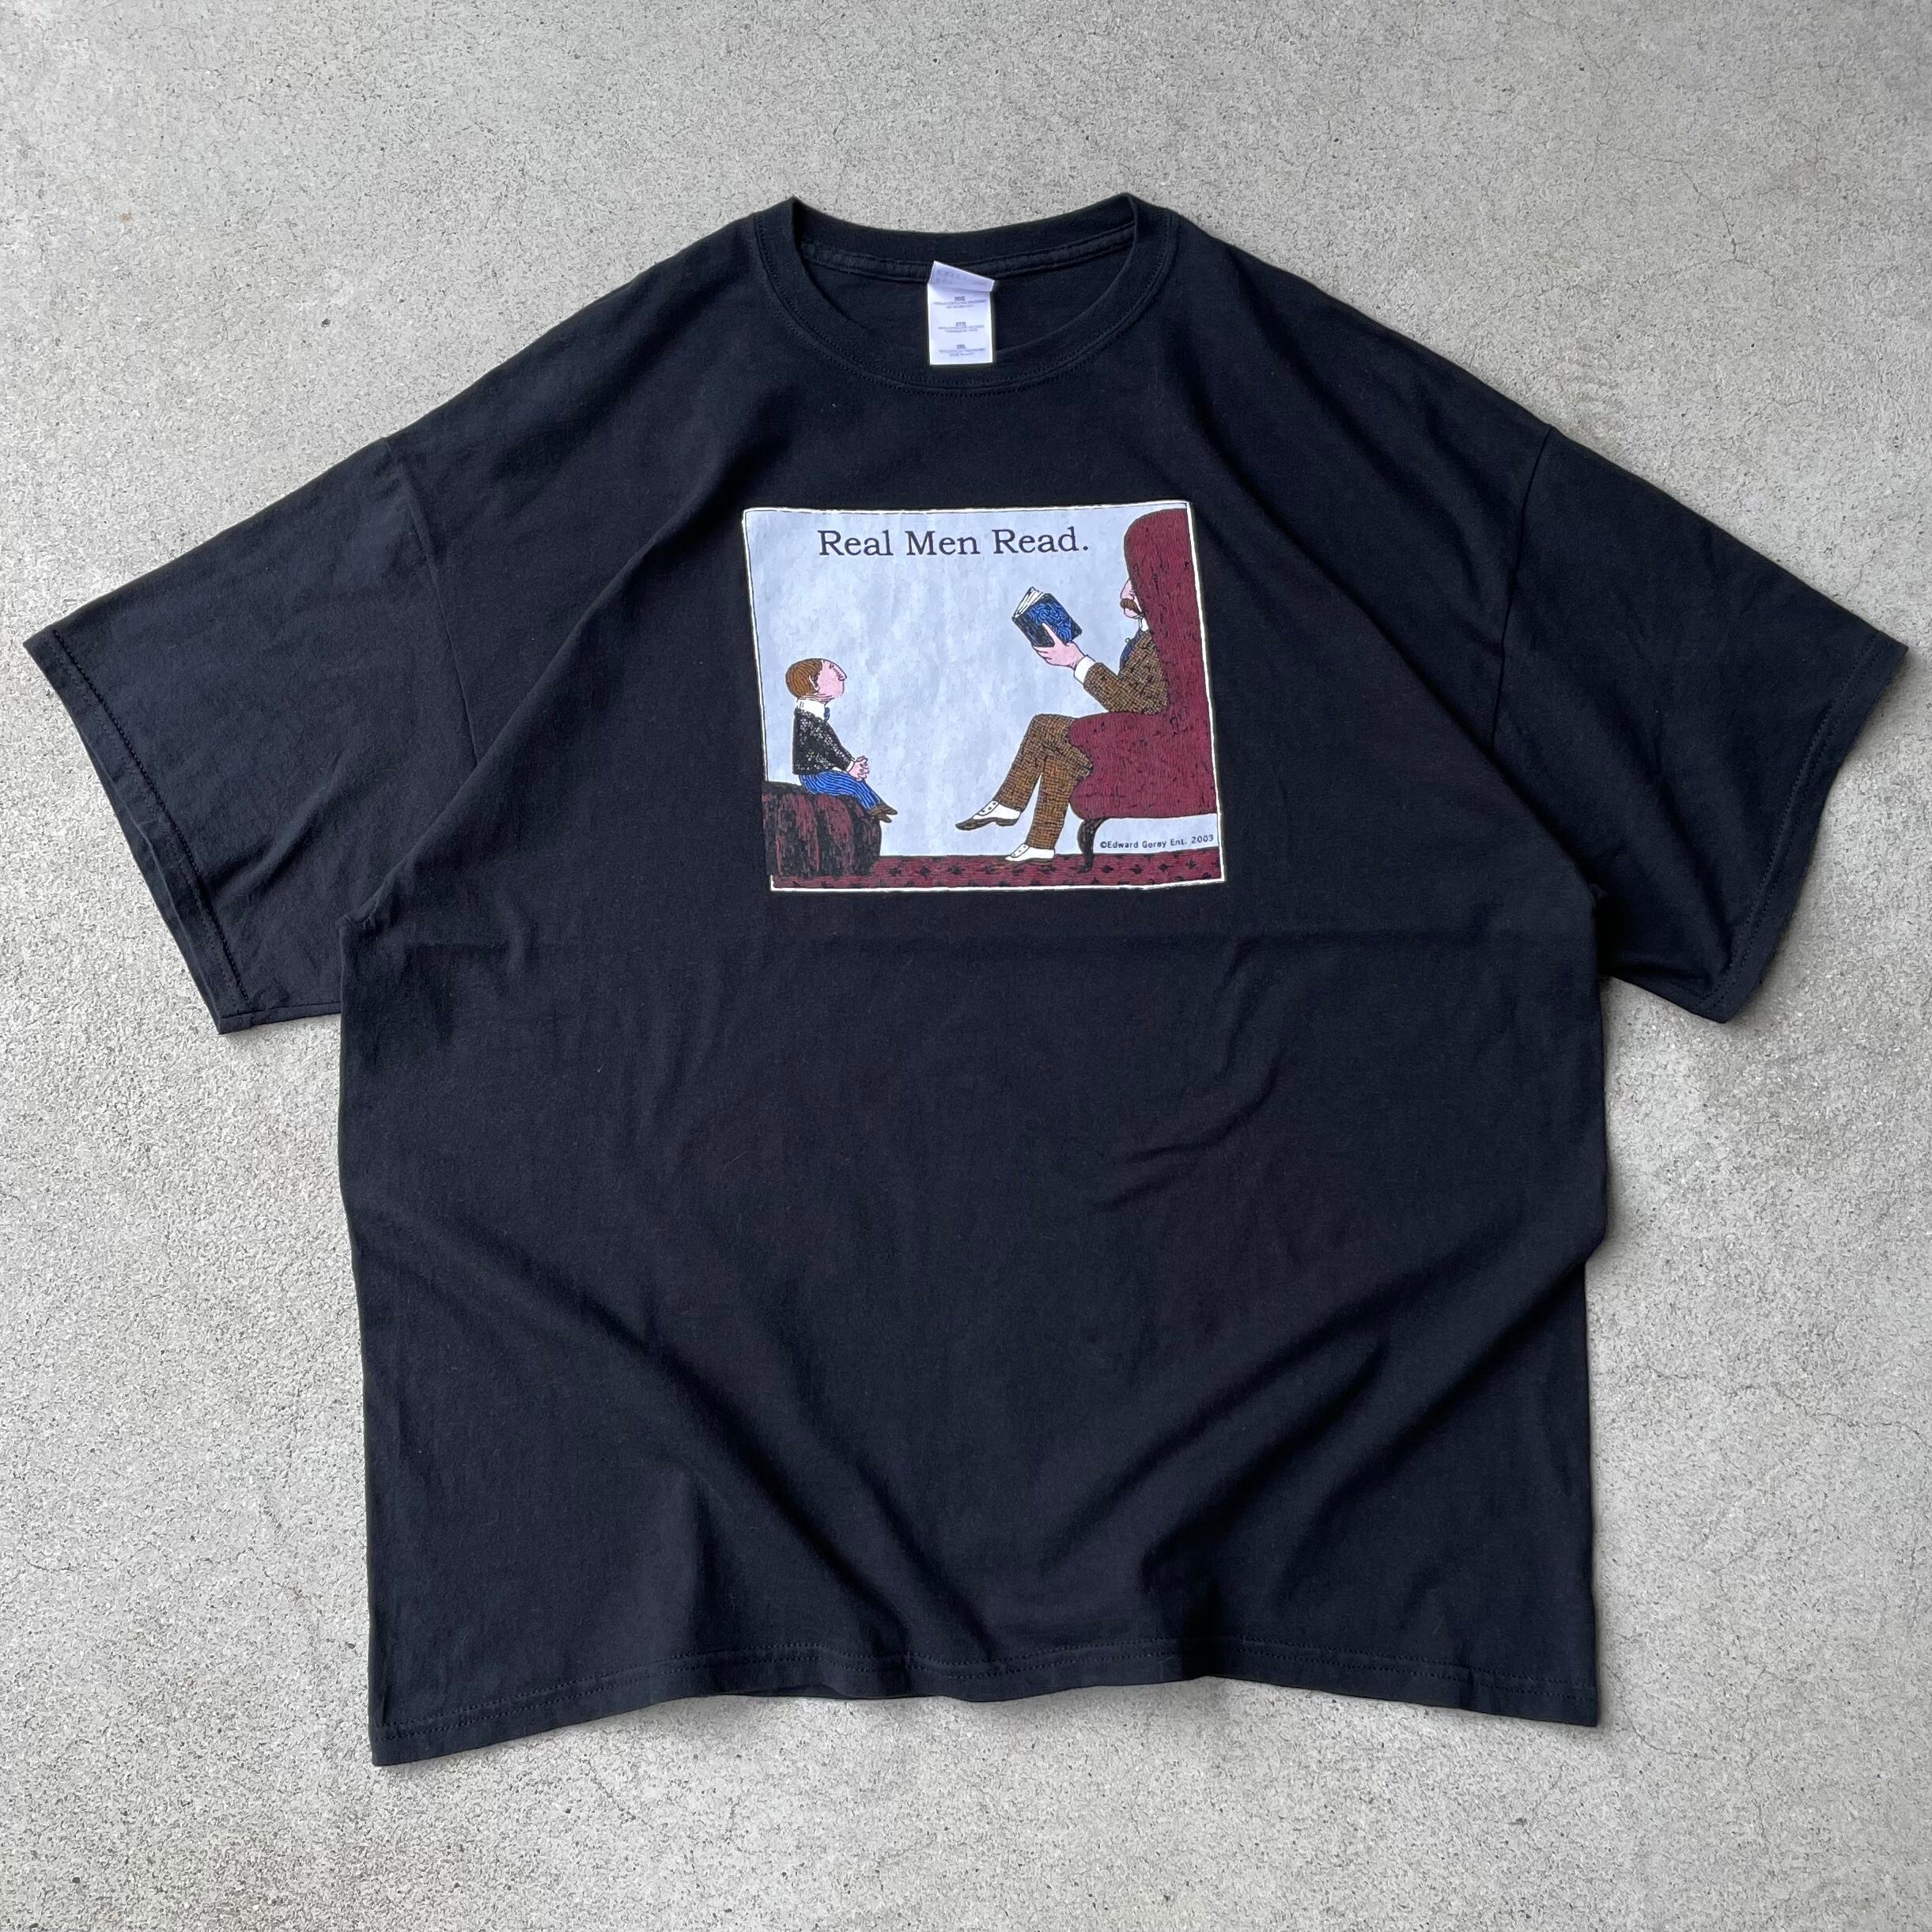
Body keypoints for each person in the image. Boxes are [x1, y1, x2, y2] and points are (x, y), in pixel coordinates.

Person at [956, 577, 1166, 859]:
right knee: (1059, 757)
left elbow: (1141, 711)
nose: (1126, 593)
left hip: (1145, 751)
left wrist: (1077, 660)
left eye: (1138, 587)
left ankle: (1010, 803)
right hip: (1129, 738)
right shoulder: (1144, 636)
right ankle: (1040, 844)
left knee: (1043, 727)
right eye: (1129, 583)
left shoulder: (1163, 644)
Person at [785, 658, 894, 819]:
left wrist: (851, 765)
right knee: (852, 784)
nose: (843, 676)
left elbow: (831, 747)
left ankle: (877, 806)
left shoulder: (811, 717)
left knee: (855, 782)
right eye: (834, 671)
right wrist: (850, 766)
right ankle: (874, 810)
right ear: (813, 682)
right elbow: (830, 747)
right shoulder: (810, 721)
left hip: (819, 774)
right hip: (814, 778)